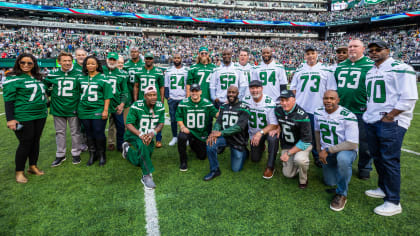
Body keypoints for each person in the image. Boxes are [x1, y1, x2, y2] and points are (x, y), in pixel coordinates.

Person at [363, 40, 418, 216]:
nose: (373, 52)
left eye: (378, 49)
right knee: (377, 157)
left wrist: (390, 116)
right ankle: (383, 188)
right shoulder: (372, 70)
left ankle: (394, 201)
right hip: (372, 119)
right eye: (370, 50)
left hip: (390, 122)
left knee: (390, 159)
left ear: (388, 50)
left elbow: (409, 98)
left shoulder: (401, 67)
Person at [3, 53, 48, 183]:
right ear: (18, 63)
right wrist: (10, 119)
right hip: (24, 115)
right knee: (25, 143)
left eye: (29, 63)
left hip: (40, 114)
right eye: (23, 62)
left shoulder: (38, 77)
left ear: (34, 64)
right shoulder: (13, 78)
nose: (26, 65)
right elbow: (8, 100)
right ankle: (19, 171)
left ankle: (32, 166)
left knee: (36, 141)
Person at [290, 46, 337, 168]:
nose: (310, 56)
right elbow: (293, 88)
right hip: (301, 108)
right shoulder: (300, 69)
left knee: (317, 135)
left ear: (317, 54)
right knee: (300, 134)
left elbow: (331, 90)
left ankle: (317, 156)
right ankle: (298, 155)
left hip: (318, 108)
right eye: (308, 54)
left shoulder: (326, 70)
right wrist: (299, 101)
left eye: (312, 53)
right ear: (305, 56)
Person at [334, 39, 374, 180]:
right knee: (340, 138)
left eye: (355, 46)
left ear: (362, 49)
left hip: (361, 110)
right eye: (350, 46)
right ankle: (340, 163)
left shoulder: (370, 65)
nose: (351, 49)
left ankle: (364, 167)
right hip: (342, 110)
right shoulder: (339, 66)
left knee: (364, 142)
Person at [314, 90, 359, 211]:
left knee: (343, 159)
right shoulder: (318, 112)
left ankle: (342, 194)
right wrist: (319, 150)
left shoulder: (348, 115)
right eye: (326, 98)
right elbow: (317, 131)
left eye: (332, 98)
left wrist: (328, 150)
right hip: (327, 152)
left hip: (345, 151)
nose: (328, 101)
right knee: (329, 182)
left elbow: (352, 143)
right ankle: (341, 174)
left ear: (338, 100)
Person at [122, 86, 165, 190]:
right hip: (134, 134)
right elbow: (129, 124)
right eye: (150, 95)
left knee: (142, 158)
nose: (153, 97)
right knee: (143, 146)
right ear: (145, 96)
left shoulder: (160, 106)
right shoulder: (137, 105)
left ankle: (127, 151)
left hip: (148, 135)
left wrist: (152, 133)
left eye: (154, 94)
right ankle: (146, 176)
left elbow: (161, 123)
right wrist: (141, 134)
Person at [44, 52, 82, 166]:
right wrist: (48, 98)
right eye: (64, 61)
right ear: (59, 62)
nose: (67, 63)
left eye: (69, 61)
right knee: (60, 132)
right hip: (58, 108)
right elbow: (44, 87)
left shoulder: (79, 74)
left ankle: (76, 153)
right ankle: (60, 154)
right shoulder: (52, 74)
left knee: (75, 132)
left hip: (73, 107)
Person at [205, 85, 250, 180]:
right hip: (225, 138)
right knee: (210, 143)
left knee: (236, 169)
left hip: (237, 139)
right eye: (229, 92)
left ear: (238, 94)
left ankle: (245, 152)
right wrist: (214, 132)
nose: (231, 94)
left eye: (233, 92)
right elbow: (218, 121)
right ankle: (215, 170)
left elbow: (239, 127)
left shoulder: (244, 107)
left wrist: (221, 133)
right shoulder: (224, 106)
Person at [77, 55, 113, 166]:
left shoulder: (104, 78)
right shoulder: (81, 78)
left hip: (98, 108)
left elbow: (107, 96)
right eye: (88, 63)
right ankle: (93, 154)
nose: (90, 65)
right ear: (85, 65)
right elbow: (78, 93)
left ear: (97, 65)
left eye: (93, 63)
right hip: (84, 110)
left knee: (98, 132)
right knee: (88, 133)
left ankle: (102, 155)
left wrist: (105, 110)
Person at [273, 90, 313, 189]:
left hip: (302, 144)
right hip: (287, 144)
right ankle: (296, 165)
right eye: (282, 100)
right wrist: (278, 127)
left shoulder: (302, 115)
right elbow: (277, 121)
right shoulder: (278, 110)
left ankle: (303, 179)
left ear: (294, 100)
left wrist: (289, 153)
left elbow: (306, 140)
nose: (284, 103)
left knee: (300, 160)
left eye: (287, 100)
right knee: (288, 174)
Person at [176, 84, 219, 171]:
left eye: (196, 91)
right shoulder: (183, 103)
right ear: (190, 92)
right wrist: (182, 126)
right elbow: (179, 117)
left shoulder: (207, 103)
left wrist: (223, 110)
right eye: (192, 91)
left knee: (202, 156)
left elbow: (217, 115)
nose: (194, 93)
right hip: (188, 131)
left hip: (201, 133)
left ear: (200, 92)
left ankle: (193, 144)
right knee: (181, 137)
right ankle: (183, 161)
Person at [242, 80, 279, 179]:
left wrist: (260, 133)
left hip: (267, 131)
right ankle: (261, 146)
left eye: (257, 88)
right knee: (255, 159)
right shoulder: (245, 100)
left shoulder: (269, 102)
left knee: (273, 138)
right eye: (252, 88)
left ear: (262, 88)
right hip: (254, 133)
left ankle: (270, 166)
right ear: (249, 89)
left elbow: (274, 124)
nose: (255, 90)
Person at [133, 52, 165, 148]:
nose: (148, 60)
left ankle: (158, 140)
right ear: (144, 59)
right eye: (147, 58)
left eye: (150, 58)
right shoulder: (139, 71)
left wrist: (162, 99)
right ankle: (142, 137)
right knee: (142, 119)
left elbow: (162, 87)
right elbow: (136, 86)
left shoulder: (158, 71)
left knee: (157, 119)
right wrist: (135, 99)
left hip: (155, 99)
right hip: (142, 99)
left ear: (153, 59)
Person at [103, 52, 128, 152]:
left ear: (117, 61)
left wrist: (122, 104)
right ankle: (101, 145)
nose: (112, 61)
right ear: (107, 60)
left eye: (114, 60)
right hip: (103, 104)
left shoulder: (122, 74)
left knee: (121, 126)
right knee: (100, 127)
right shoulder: (101, 71)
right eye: (110, 59)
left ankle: (120, 145)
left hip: (116, 104)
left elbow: (124, 91)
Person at [164, 53, 188, 146]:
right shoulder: (169, 70)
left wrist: (187, 97)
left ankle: (185, 137)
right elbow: (166, 85)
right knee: (173, 119)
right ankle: (174, 137)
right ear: (172, 59)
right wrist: (168, 97)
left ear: (181, 59)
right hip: (172, 98)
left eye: (178, 58)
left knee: (185, 119)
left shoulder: (186, 70)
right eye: (175, 58)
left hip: (183, 98)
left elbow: (188, 85)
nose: (177, 59)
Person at [123, 47, 144, 123]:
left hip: (141, 91)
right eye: (132, 52)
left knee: (141, 112)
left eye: (135, 52)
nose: (133, 53)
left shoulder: (143, 64)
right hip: (129, 90)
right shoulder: (126, 65)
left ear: (139, 53)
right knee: (128, 112)